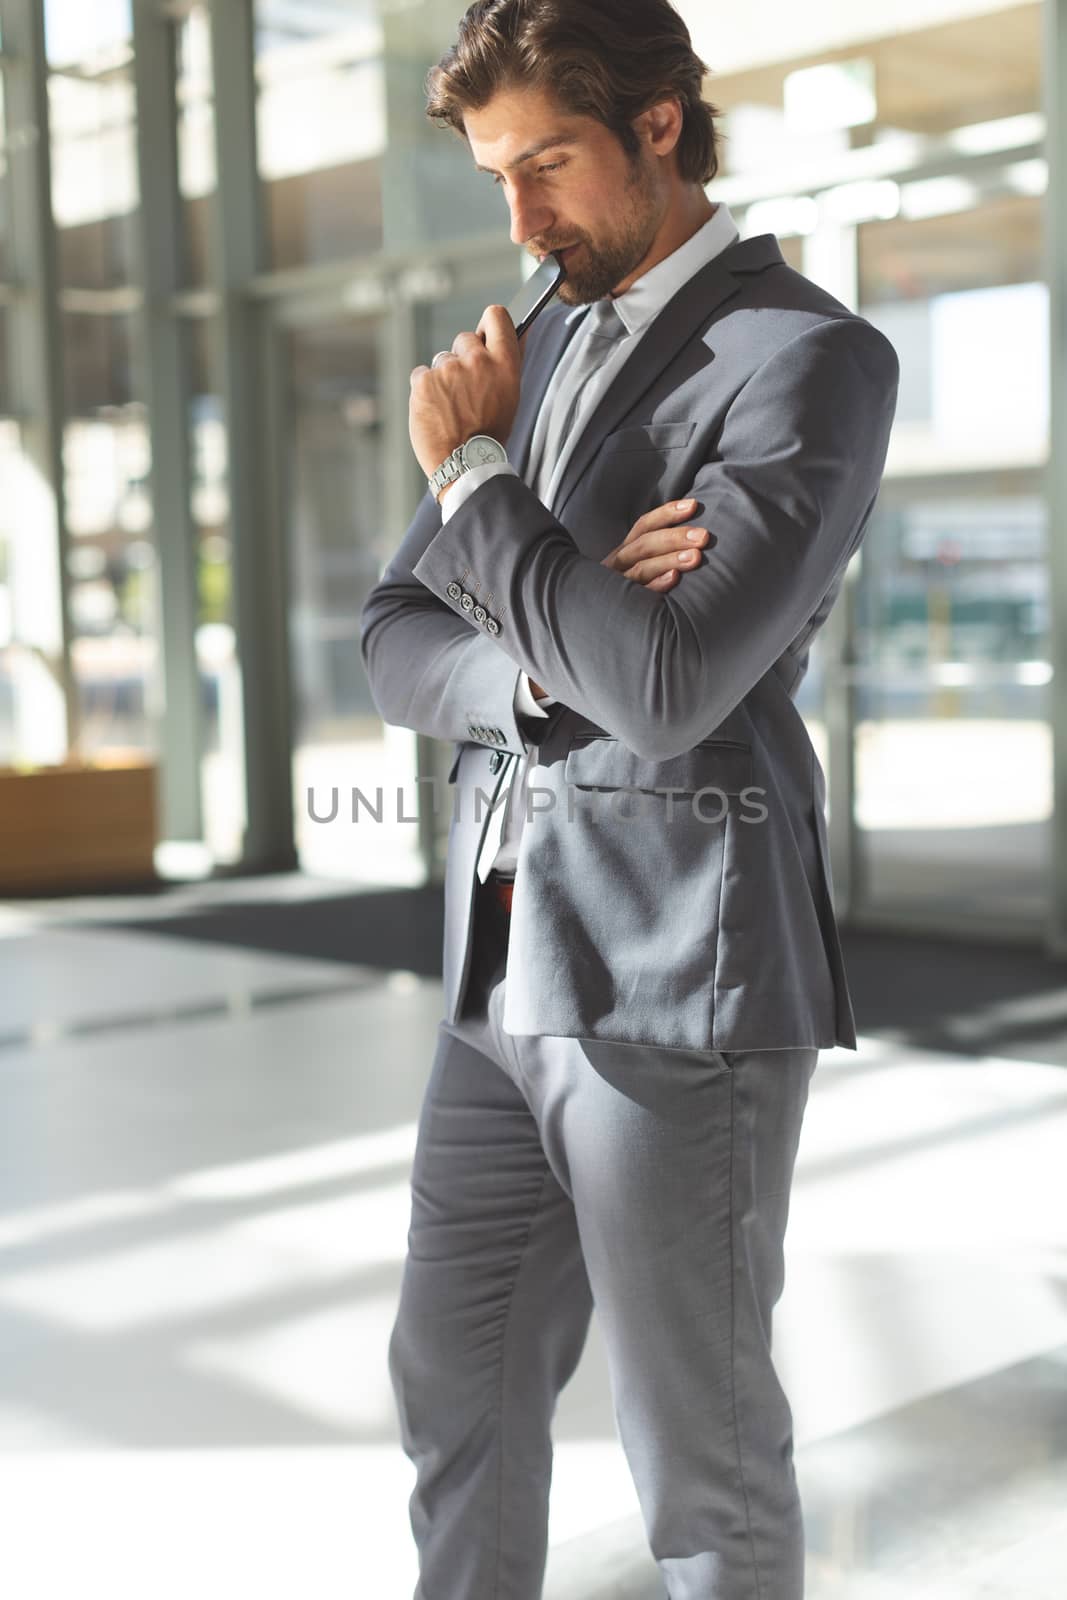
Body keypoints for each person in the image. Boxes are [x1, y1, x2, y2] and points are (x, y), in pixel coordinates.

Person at [359, 2, 900, 1595]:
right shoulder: (537, 342)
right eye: (494, 175)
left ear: (661, 124)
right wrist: (546, 659)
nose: (519, 217)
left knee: (701, 1465)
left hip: (677, 975)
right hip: (499, 964)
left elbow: (670, 690)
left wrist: (475, 488)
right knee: (450, 1387)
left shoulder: (804, 358)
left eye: (549, 164)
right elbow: (397, 640)